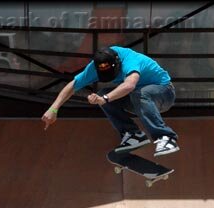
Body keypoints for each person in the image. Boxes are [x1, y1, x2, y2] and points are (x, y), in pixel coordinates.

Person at [41, 46, 179, 157]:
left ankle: (166, 137)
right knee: (105, 94)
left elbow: (129, 85)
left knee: (131, 93)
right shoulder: (94, 66)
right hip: (138, 101)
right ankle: (133, 135)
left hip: (164, 94)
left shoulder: (130, 60)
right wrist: (53, 109)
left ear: (117, 62)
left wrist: (105, 99)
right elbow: (72, 86)